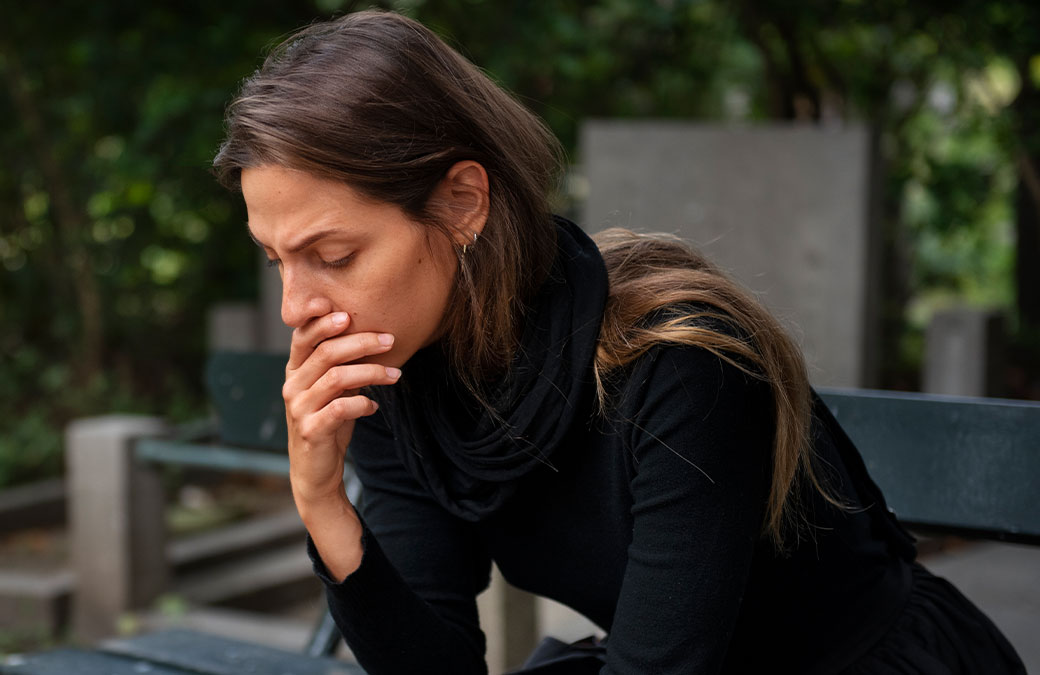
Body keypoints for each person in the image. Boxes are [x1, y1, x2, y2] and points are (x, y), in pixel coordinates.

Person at [212, 10, 1025, 675]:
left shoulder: (679, 362)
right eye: (276, 259)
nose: (295, 307)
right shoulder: (395, 375)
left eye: (334, 255)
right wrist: (323, 504)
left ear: (463, 202)